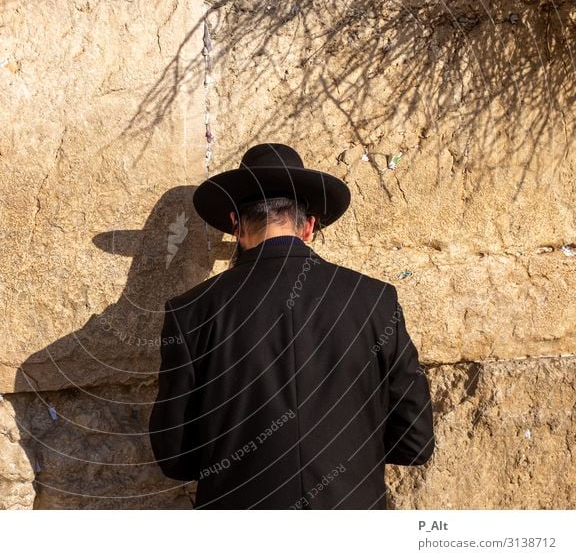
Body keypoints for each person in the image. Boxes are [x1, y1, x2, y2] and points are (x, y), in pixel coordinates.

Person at [148, 143, 435, 509]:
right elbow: (415, 441)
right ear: (310, 226)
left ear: (235, 223)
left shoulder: (189, 312)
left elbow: (175, 457)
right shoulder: (375, 300)